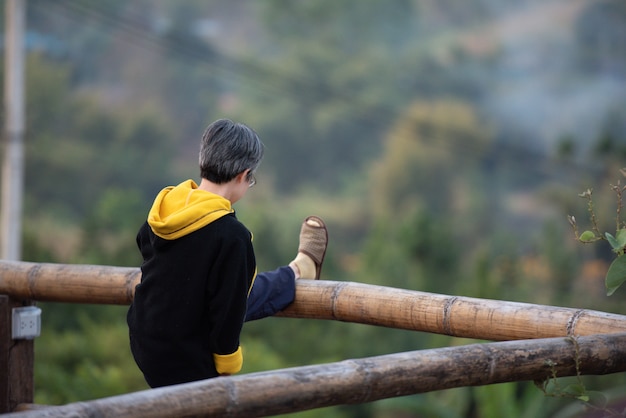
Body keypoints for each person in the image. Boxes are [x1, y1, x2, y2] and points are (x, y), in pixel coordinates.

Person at [126, 119, 328, 388]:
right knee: (237, 294)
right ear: (243, 175)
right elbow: (227, 316)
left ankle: (297, 270)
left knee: (234, 288)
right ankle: (298, 270)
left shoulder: (166, 208)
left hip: (146, 343)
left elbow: (145, 245)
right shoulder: (231, 237)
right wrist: (226, 367)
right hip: (188, 360)